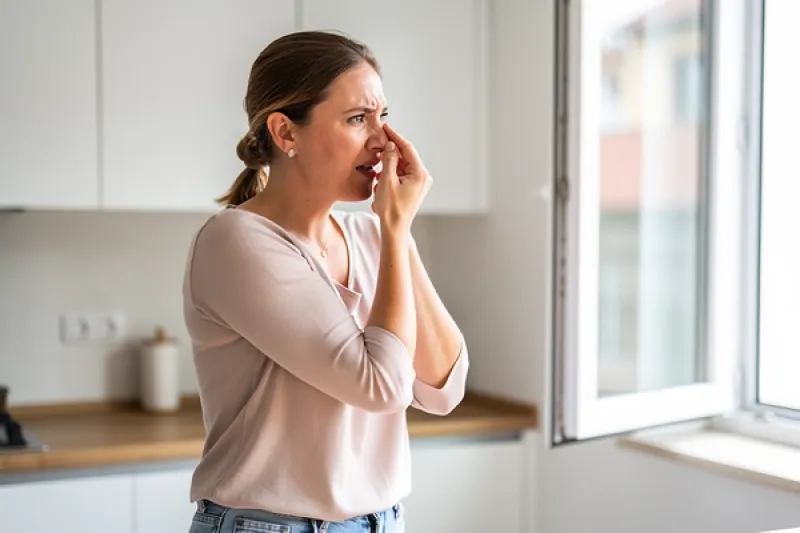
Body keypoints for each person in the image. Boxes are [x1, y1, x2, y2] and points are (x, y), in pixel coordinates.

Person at [182, 30, 469, 533]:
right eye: (358, 119)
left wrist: (394, 234)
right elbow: (380, 387)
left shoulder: (373, 234)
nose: (382, 140)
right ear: (285, 133)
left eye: (383, 117)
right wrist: (396, 230)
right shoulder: (237, 241)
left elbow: (444, 388)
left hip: (382, 521)